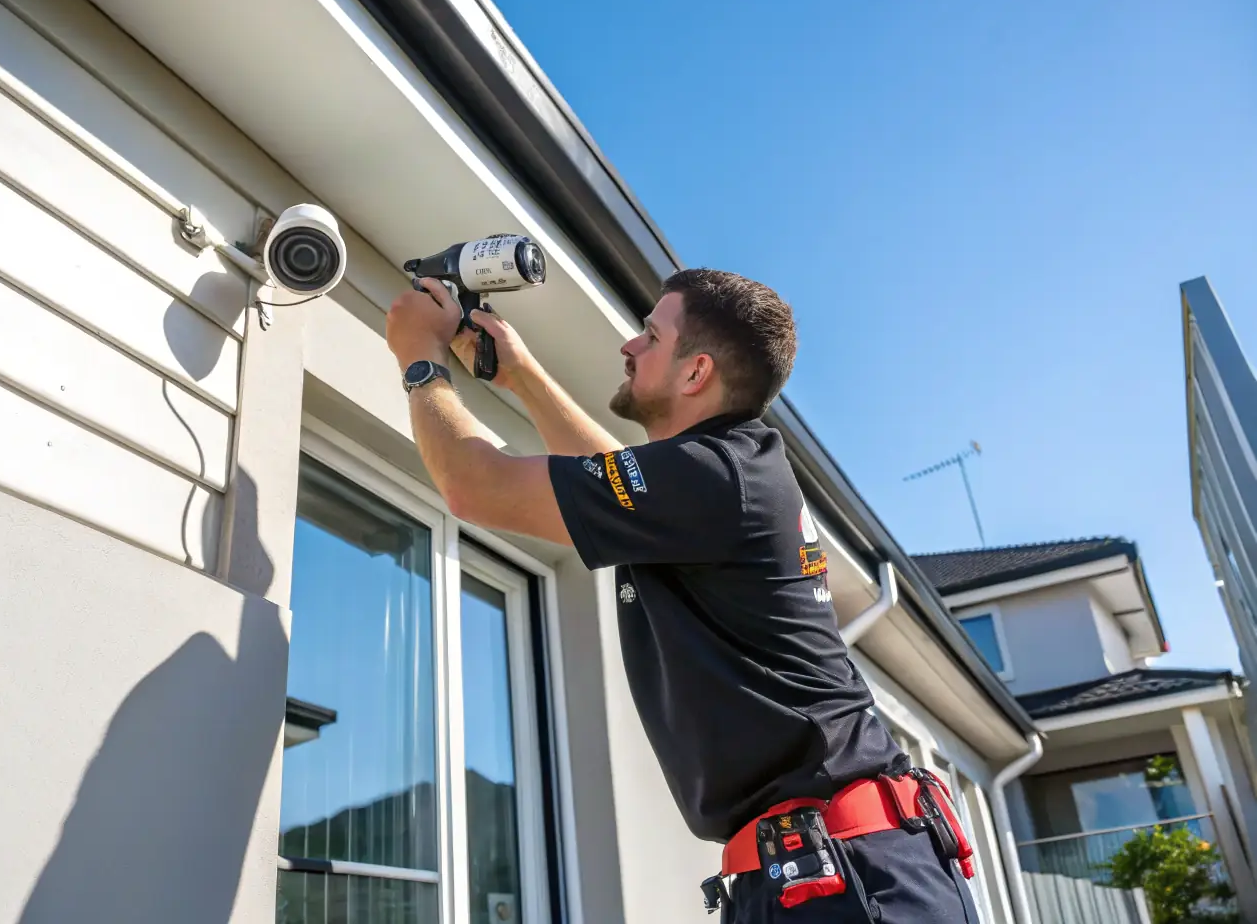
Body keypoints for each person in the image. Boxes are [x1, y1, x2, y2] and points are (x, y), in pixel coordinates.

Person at [385, 267, 981, 923]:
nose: (628, 346)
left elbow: (476, 487)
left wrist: (420, 357)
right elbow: (615, 482)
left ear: (695, 373)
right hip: (831, 868)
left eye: (649, 335)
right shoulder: (721, 473)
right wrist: (519, 375)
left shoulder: (717, 477)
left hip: (850, 877)